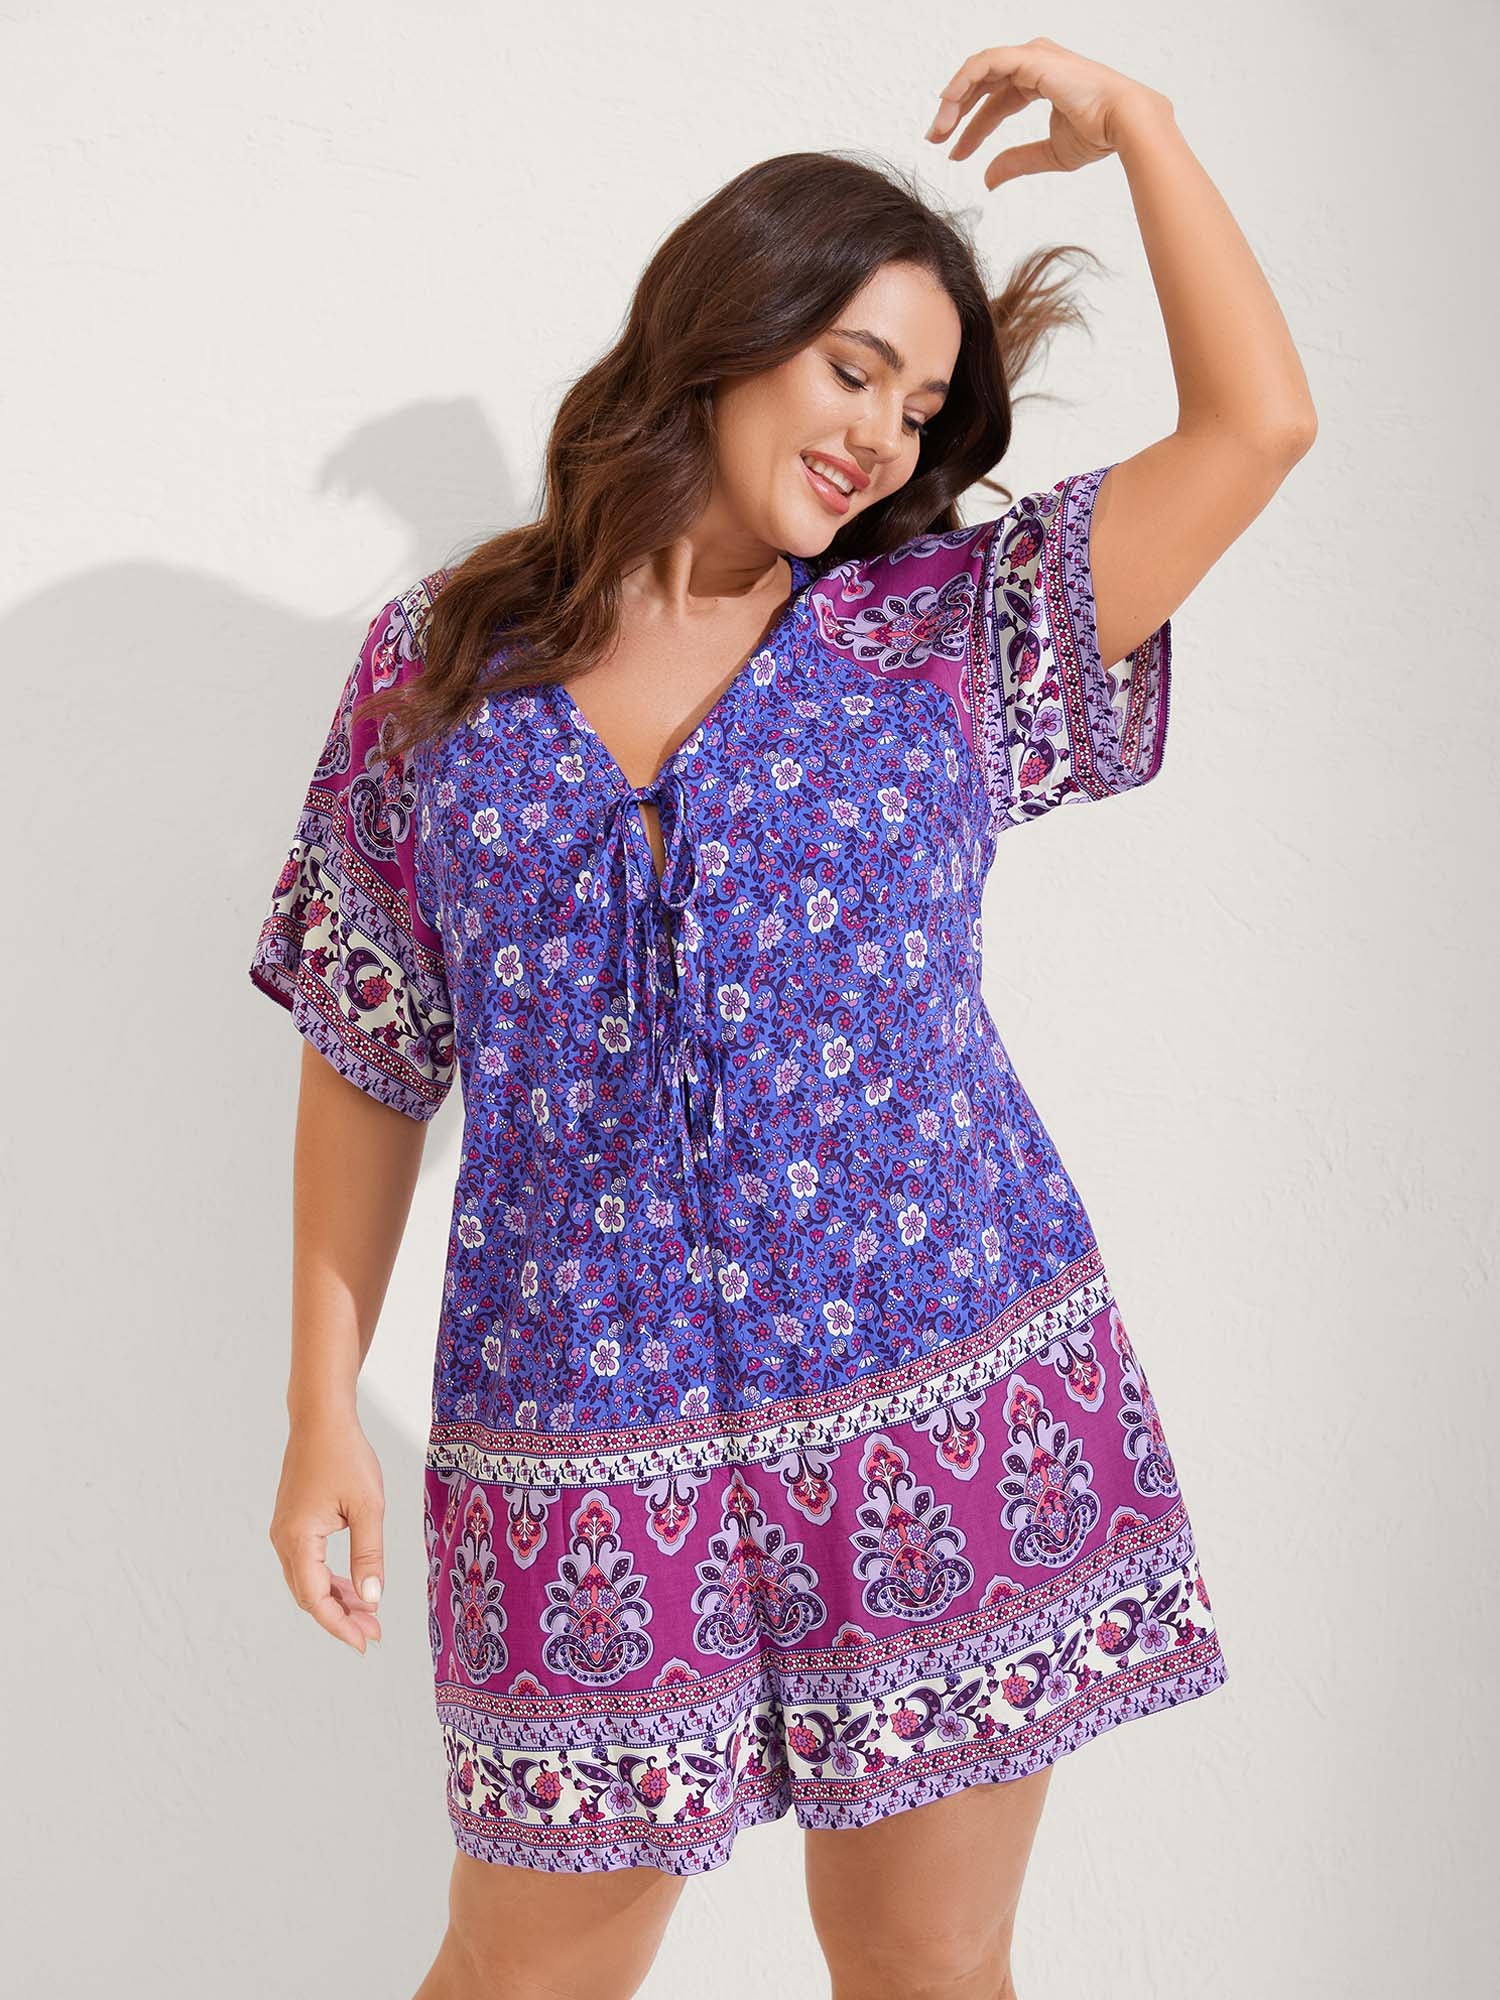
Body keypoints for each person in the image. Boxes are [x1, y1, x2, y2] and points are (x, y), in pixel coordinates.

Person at [250, 38, 1314, 2000]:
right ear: (728, 329)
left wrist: (1146, 130)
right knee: (522, 1972)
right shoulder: (444, 665)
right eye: (854, 370)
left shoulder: (949, 637)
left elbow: (1259, 427)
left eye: (921, 409)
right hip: (575, 1441)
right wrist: (324, 1405)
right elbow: (367, 1040)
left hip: (946, 1403)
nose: (886, 439)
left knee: (925, 1963)